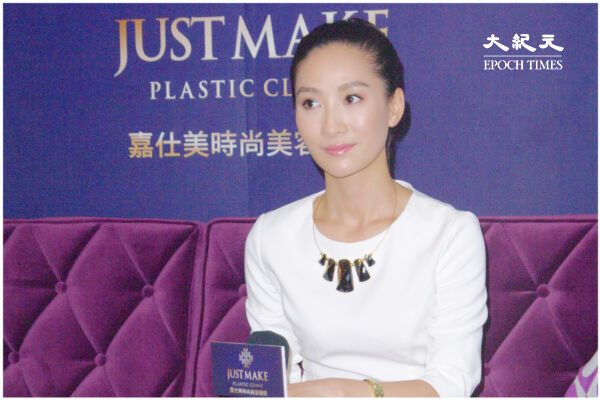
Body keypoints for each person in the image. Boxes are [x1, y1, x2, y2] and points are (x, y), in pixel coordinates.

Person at [244, 18, 488, 397]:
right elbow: (276, 381)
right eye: (311, 103)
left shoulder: (449, 234)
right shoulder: (271, 237)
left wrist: (341, 392)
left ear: (394, 107)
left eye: (351, 98)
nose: (331, 126)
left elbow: (451, 384)